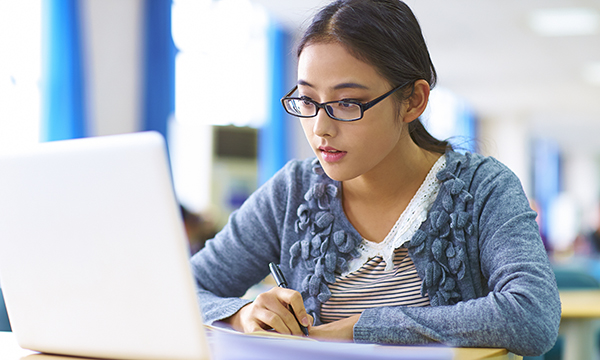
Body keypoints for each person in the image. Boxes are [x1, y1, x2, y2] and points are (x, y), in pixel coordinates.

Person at [190, 0, 561, 356]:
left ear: (413, 101)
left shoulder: (483, 189)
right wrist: (242, 313)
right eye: (307, 100)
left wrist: (361, 329)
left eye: (347, 103)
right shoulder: (292, 192)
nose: (321, 129)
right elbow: (182, 289)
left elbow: (532, 316)